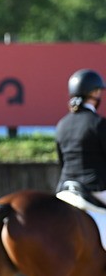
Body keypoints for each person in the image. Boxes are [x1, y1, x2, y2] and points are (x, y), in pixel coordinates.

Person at [55, 69, 106, 201]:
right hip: (94, 189)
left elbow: (61, 161)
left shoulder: (62, 124)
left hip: (65, 188)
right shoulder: (98, 123)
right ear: (95, 92)